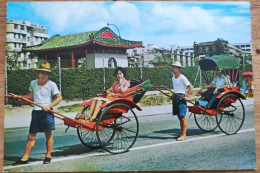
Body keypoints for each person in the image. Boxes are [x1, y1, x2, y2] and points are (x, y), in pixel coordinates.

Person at [11, 62, 62, 165]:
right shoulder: (33, 83)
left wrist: (49, 105)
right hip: (36, 112)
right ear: (38, 73)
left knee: (48, 134)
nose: (44, 75)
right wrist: (18, 96)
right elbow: (31, 95)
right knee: (31, 136)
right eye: (42, 73)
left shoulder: (51, 84)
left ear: (48, 75)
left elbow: (59, 98)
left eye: (46, 73)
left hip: (47, 112)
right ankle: (25, 158)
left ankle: (48, 155)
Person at [171, 61, 193, 141]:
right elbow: (176, 88)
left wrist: (187, 96)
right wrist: (173, 95)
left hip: (181, 97)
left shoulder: (182, 77)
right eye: (172, 67)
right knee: (179, 116)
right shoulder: (173, 77)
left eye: (174, 67)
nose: (172, 68)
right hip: (176, 97)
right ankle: (182, 132)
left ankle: (184, 134)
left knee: (182, 116)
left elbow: (191, 87)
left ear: (177, 68)